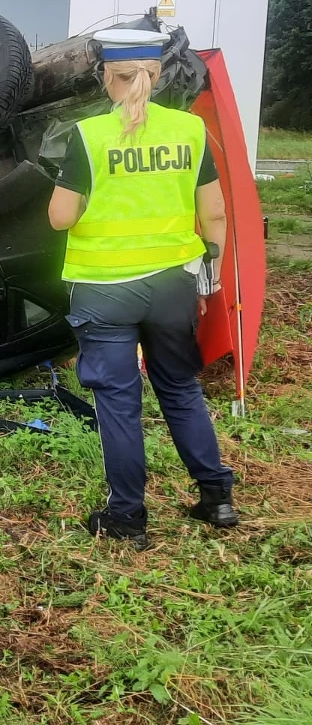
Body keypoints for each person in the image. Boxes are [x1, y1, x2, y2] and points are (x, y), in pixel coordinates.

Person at [48, 29, 238, 549]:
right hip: (174, 284)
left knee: (118, 403)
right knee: (179, 388)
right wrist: (210, 274)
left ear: (109, 78)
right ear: (154, 76)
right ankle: (216, 496)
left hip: (105, 289)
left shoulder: (89, 136)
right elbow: (215, 213)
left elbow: (61, 217)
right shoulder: (190, 130)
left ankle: (128, 517)